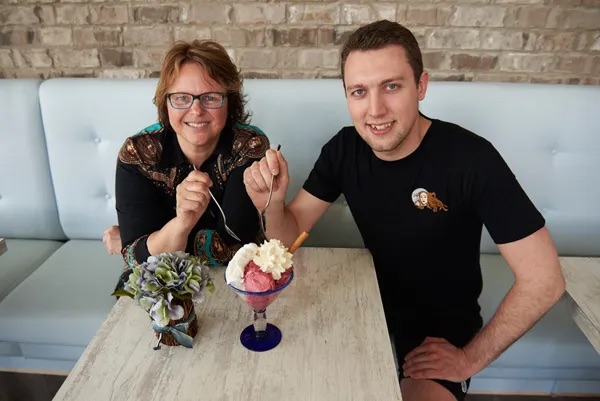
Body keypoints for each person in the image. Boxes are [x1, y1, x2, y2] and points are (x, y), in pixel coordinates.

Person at [242, 20, 565, 401]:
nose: (375, 110)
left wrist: (468, 359)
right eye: (359, 91)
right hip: (360, 312)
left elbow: (545, 281)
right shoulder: (344, 149)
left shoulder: (472, 159)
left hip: (436, 335)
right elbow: (287, 238)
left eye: (391, 86)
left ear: (421, 86)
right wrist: (274, 203)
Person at [112, 40, 269, 288]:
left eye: (210, 97)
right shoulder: (138, 154)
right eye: (182, 98)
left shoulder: (248, 146)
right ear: (166, 101)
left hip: (235, 281)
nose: (196, 110)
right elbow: (139, 262)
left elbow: (236, 245)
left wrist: (158, 238)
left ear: (229, 101)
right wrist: (182, 222)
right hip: (160, 286)